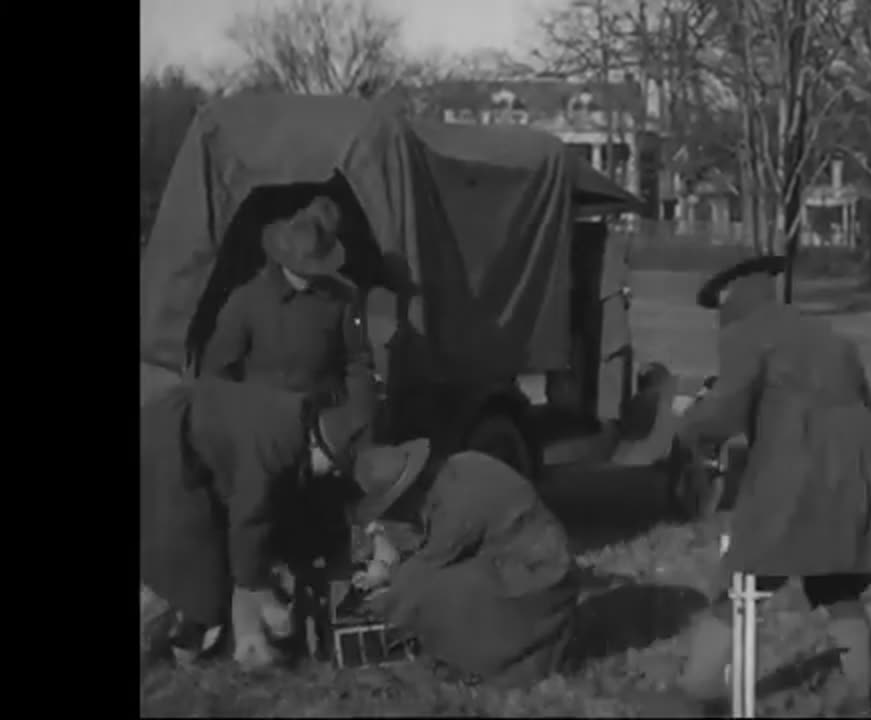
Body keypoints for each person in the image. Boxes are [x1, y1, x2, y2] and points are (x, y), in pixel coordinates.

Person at [670, 256, 871, 714]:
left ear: (733, 293)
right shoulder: (823, 331)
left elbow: (725, 410)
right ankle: (860, 696)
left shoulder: (746, 332)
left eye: (717, 300)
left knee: (742, 578)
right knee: (838, 581)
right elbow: (864, 400)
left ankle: (693, 694)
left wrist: (688, 422)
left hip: (797, 468)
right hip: (858, 462)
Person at [140, 376, 366, 671]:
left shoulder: (293, 421)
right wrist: (256, 585)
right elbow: (250, 518)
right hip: (169, 449)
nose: (332, 473)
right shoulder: (274, 446)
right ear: (317, 445)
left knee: (202, 571)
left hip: (184, 441)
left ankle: (191, 642)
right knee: (187, 569)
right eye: (334, 465)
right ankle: (167, 635)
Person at [346, 446, 579, 688]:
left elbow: (422, 571)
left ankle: (488, 661)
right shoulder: (457, 467)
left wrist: (375, 606)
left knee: (437, 593)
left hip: (540, 580)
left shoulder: (456, 504)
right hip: (533, 565)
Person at [199, 195, 376, 424]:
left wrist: (359, 421)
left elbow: (358, 362)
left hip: (324, 422)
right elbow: (216, 371)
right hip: (262, 423)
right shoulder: (247, 300)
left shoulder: (344, 298)